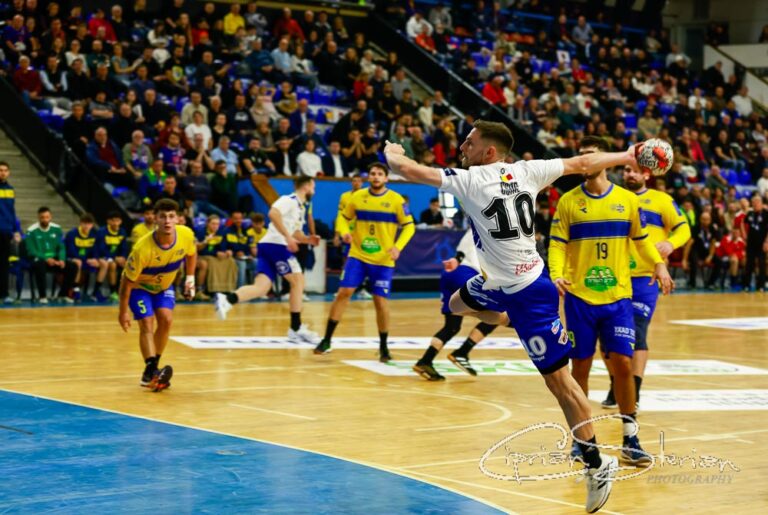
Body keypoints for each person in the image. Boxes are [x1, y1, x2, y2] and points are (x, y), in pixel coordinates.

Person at [383, 120, 655, 511]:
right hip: (501, 284)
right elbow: (581, 162)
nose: (462, 146)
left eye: (470, 142)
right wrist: (628, 155)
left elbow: (408, 170)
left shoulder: (472, 180)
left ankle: (597, 464)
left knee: (560, 385)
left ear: (489, 152)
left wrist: (394, 152)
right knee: (456, 304)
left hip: (530, 294)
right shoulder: (527, 170)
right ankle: (500, 316)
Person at [548, 136, 674, 468]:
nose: (587, 162)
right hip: (579, 298)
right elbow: (557, 244)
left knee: (622, 364)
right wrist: (556, 273)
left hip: (618, 297)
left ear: (606, 161)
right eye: (583, 157)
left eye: (593, 156)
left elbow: (643, 241)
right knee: (581, 369)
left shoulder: (627, 202)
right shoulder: (568, 202)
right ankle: (581, 438)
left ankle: (631, 438)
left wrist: (659, 264)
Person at [599, 164, 691, 409]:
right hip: (613, 276)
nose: (630, 174)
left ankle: (634, 391)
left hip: (645, 278)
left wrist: (671, 245)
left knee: (637, 330)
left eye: (636, 171)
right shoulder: (614, 198)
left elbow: (683, 228)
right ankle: (616, 383)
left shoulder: (661, 200)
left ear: (647, 174)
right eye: (627, 170)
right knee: (606, 338)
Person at [314, 162, 415, 361]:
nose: (376, 176)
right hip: (358, 255)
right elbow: (342, 218)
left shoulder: (397, 200)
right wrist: (344, 232)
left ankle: (384, 346)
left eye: (380, 174)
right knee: (344, 293)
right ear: (369, 177)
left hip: (383, 260)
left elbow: (409, 226)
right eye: (372, 173)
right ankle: (326, 340)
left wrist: (398, 247)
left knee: (380, 302)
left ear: (386, 178)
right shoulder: (357, 197)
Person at [214, 177, 321, 343]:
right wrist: (288, 237)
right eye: (313, 186)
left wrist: (308, 239)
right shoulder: (289, 200)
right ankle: (295, 327)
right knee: (298, 281)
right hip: (275, 245)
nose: (314, 190)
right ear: (306, 186)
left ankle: (227, 299)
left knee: (261, 288)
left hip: (268, 245)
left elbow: (295, 233)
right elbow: (273, 213)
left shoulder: (300, 207)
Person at [118, 199, 197, 392]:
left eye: (171, 216)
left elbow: (192, 253)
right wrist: (123, 312)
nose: (167, 221)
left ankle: (151, 370)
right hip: (139, 287)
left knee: (167, 320)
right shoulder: (142, 249)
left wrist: (190, 278)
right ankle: (152, 369)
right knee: (147, 322)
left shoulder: (186, 234)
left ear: (178, 218)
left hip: (163, 286)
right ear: (155, 219)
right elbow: (126, 283)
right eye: (163, 217)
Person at [413, 229, 497, 381]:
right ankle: (463, 352)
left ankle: (425, 361)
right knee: (499, 313)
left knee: (451, 327)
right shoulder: (499, 228)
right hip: (469, 275)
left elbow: (460, 253)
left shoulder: (473, 226)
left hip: (451, 272)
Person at [26, 206, 77, 304]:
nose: (45, 219)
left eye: (47, 217)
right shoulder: (31, 230)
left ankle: (63, 294)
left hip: (55, 259)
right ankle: (42, 296)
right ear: (38, 217)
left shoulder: (57, 229)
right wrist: (46, 258)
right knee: (39, 265)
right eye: (42, 217)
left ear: (51, 217)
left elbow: (61, 247)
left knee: (72, 266)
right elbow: (31, 251)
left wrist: (61, 259)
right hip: (39, 259)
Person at [65, 212, 106, 302]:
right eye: (85, 223)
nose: (87, 226)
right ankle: (76, 290)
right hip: (73, 259)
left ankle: (96, 292)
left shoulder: (94, 234)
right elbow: (71, 251)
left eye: (89, 224)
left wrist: (95, 259)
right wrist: (86, 260)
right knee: (78, 262)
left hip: (87, 260)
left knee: (104, 263)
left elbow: (96, 249)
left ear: (92, 225)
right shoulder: (72, 234)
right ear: (80, 223)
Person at [95, 211, 129, 302]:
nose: (115, 223)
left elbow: (124, 247)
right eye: (113, 221)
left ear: (120, 221)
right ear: (108, 222)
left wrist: (123, 257)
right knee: (111, 264)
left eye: (117, 221)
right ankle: (97, 291)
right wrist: (114, 258)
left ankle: (118, 292)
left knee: (121, 266)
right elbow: (101, 248)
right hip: (101, 256)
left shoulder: (122, 232)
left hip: (115, 258)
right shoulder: (102, 231)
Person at [0, 161, 21, 304]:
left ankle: (3, 294)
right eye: (0, 170)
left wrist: (16, 231)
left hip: (6, 232)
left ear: (9, 172)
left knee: (3, 264)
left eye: (5, 170)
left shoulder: (11, 190)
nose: (3, 172)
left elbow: (12, 212)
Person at [742, 194, 768, 291]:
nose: (755, 204)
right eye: (753, 203)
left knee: (761, 264)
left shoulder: (766, 214)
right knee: (749, 264)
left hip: (761, 243)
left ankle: (760, 285)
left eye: (757, 202)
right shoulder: (750, 213)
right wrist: (744, 234)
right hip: (751, 243)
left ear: (761, 203)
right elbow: (742, 222)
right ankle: (746, 285)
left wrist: (766, 242)